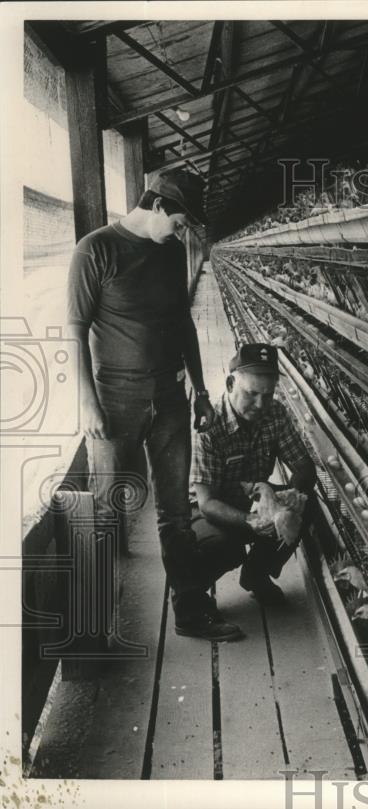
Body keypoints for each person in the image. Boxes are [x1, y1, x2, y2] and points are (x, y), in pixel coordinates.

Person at [66, 170, 235, 641]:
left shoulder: (172, 250)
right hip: (115, 402)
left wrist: (201, 392)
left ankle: (190, 611)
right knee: (104, 509)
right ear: (158, 205)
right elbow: (74, 332)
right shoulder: (94, 250)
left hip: (170, 398)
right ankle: (92, 630)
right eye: (180, 222)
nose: (182, 233)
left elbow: (184, 323)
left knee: (176, 510)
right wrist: (87, 403)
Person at [189, 344, 317, 617]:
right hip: (207, 508)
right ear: (230, 383)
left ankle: (256, 576)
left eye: (268, 395)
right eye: (251, 394)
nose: (260, 404)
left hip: (254, 498)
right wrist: (251, 522)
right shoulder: (210, 427)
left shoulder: (275, 413)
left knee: (306, 506)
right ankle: (192, 593)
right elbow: (207, 502)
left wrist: (295, 496)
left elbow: (303, 464)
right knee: (221, 545)